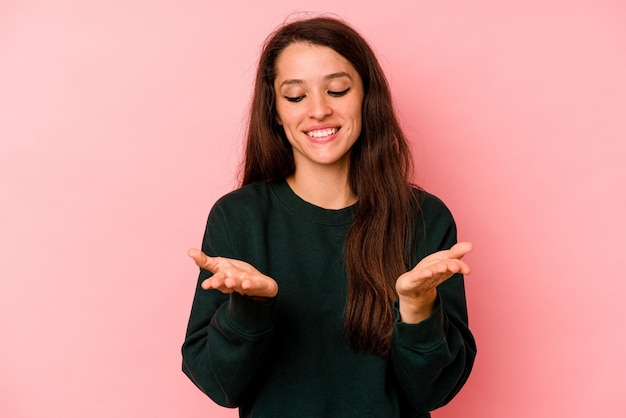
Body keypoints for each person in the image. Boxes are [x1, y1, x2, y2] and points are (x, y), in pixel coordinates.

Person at [182, 16, 476, 418]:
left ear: (366, 96)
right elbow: (220, 385)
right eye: (296, 96)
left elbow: (434, 392)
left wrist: (418, 308)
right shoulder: (238, 218)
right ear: (275, 112)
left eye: (337, 89)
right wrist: (249, 309)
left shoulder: (424, 218)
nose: (318, 110)